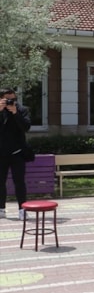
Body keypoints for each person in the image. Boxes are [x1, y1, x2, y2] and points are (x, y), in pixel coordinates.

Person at [0, 88, 31, 221]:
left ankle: (22, 209)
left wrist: (15, 113)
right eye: (8, 99)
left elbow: (26, 127)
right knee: (0, 182)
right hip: (1, 153)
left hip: (17, 152)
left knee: (19, 182)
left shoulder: (22, 110)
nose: (11, 102)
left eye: (13, 99)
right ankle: (1, 209)